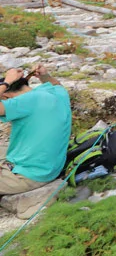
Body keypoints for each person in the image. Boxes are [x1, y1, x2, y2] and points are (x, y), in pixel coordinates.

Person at [0, 64, 71, 217]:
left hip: (28, 175)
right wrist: (44, 76)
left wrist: (7, 81)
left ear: (6, 96)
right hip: (50, 167)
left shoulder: (24, 102)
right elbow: (57, 84)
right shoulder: (52, 92)